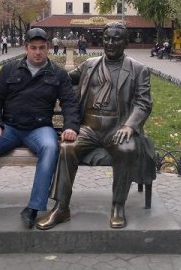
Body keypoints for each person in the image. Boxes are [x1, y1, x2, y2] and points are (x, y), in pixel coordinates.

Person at [36, 22, 156, 230]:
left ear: (125, 42)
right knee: (67, 147)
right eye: (107, 38)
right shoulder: (89, 64)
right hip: (89, 127)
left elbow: (143, 102)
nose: (110, 43)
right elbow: (64, 79)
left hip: (117, 128)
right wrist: (40, 68)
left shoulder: (138, 70)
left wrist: (129, 126)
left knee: (127, 149)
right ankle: (61, 207)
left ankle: (118, 206)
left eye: (116, 39)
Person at [0, 28, 81, 229]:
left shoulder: (58, 74)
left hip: (39, 128)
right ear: (26, 48)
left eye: (42, 48)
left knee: (50, 148)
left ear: (48, 48)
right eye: (33, 48)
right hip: (9, 127)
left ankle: (33, 208)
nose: (38, 52)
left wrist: (71, 126)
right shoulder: (10, 69)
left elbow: (70, 103)